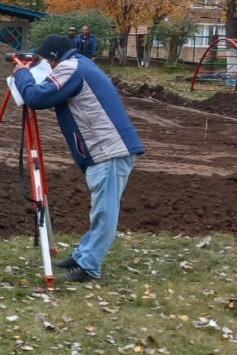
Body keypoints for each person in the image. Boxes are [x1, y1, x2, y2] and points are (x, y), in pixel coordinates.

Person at [12, 34, 143, 283]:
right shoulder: (81, 64)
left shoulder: (70, 68)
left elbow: (37, 98)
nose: (46, 67)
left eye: (45, 61)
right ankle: (83, 255)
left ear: (53, 59)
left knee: (104, 212)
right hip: (108, 150)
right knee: (100, 210)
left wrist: (21, 74)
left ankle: (89, 266)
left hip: (109, 151)